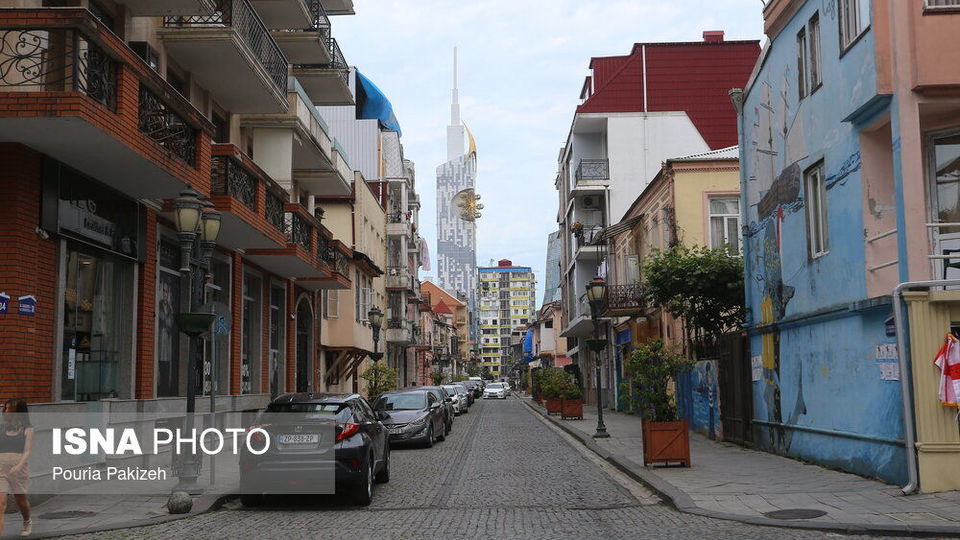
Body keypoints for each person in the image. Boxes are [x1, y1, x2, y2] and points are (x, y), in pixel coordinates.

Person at [0, 398, 33, 537]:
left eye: (9, 409)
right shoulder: (2, 429)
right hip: (1, 469)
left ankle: (27, 521)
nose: (6, 411)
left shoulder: (28, 430)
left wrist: (19, 466)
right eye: (5, 408)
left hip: (18, 469)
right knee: (1, 505)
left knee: (21, 502)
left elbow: (27, 451)